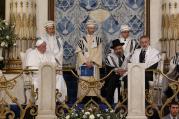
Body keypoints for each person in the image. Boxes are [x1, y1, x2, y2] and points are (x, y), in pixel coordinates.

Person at [75, 19, 102, 98]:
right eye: (90, 28)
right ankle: (83, 97)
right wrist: (85, 62)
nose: (91, 30)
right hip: (84, 65)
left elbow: (99, 52)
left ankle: (94, 97)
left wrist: (92, 62)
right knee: (84, 82)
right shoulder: (81, 40)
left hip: (94, 65)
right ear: (87, 29)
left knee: (94, 81)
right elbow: (79, 52)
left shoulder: (98, 40)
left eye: (93, 28)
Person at [104, 39, 127, 105]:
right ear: (114, 50)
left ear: (122, 48)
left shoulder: (127, 56)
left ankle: (124, 102)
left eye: (120, 48)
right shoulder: (109, 57)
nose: (118, 50)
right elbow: (109, 68)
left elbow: (130, 66)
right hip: (114, 76)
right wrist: (117, 70)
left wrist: (125, 71)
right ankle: (109, 103)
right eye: (116, 49)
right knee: (113, 79)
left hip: (125, 75)